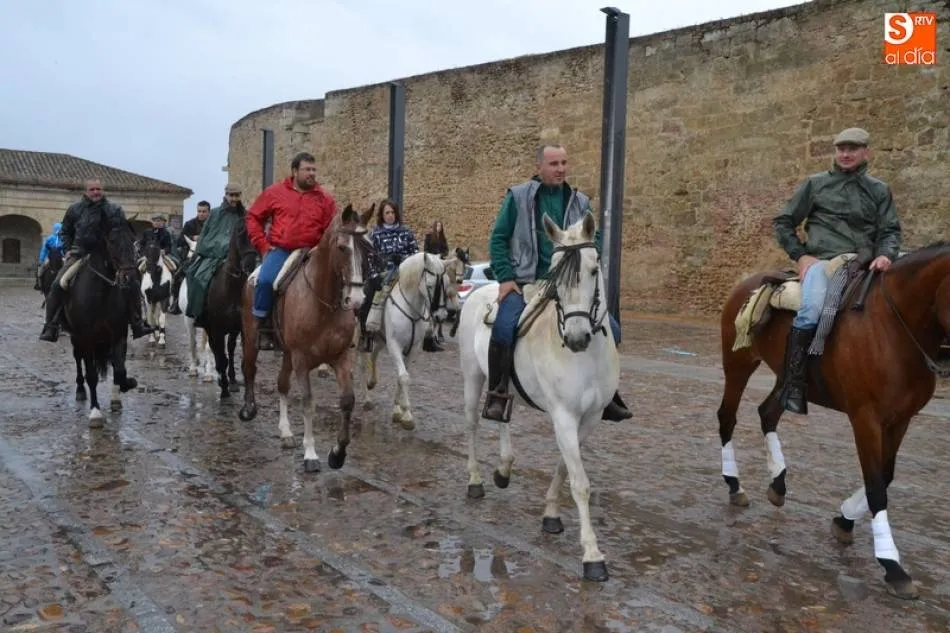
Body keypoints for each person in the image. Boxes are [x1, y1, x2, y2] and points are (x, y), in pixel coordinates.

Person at [483, 144, 632, 422]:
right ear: (539, 166)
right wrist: (505, 278)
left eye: (564, 162)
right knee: (504, 327)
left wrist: (586, 252)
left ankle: (608, 393)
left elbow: (594, 239)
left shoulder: (580, 202)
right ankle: (498, 392)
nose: (561, 169)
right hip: (527, 281)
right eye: (554, 164)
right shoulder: (518, 197)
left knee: (612, 328)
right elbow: (498, 238)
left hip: (567, 285)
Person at [774, 126, 901, 415]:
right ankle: (793, 383)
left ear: (866, 152)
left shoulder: (879, 190)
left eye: (852, 149)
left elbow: (890, 230)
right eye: (841, 149)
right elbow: (783, 222)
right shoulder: (815, 184)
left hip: (865, 260)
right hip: (824, 262)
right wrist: (801, 255)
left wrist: (885, 254)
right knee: (812, 308)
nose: (845, 154)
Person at [39, 179, 154, 342]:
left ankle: (137, 323)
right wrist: (69, 249)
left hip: (110, 255)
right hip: (80, 253)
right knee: (58, 283)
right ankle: (51, 326)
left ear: (103, 190)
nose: (95, 192)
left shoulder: (114, 209)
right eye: (92, 189)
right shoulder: (75, 210)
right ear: (85, 192)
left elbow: (122, 231)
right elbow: (65, 232)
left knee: (133, 281)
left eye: (98, 189)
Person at [246, 151, 338, 350]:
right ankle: (263, 326)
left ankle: (339, 329)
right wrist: (263, 245)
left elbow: (332, 229)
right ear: (295, 171)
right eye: (307, 169)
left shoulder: (325, 199)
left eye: (314, 169)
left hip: (312, 252)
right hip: (282, 250)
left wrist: (320, 248)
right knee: (266, 281)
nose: (311, 173)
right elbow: (253, 218)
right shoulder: (275, 192)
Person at [357, 199, 419, 352]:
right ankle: (366, 335)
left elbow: (415, 254)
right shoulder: (375, 233)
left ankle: (429, 332)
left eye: (392, 212)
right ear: (382, 215)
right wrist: (374, 276)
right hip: (382, 274)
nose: (390, 215)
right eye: (387, 213)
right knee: (366, 296)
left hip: (404, 274)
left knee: (425, 291)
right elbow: (369, 257)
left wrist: (403, 259)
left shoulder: (406, 232)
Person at [184, 185, 247, 324]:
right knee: (197, 277)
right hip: (214, 254)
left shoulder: (244, 215)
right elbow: (206, 233)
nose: (234, 199)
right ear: (226, 195)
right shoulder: (215, 214)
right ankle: (199, 313)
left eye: (237, 195)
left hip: (240, 256)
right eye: (232, 195)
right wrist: (216, 248)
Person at [168, 201, 210, 314]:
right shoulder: (189, 224)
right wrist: (192, 237)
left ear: (208, 212)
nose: (201, 214)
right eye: (199, 211)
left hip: (209, 256)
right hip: (190, 257)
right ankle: (176, 303)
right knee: (178, 277)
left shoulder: (213, 224)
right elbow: (180, 241)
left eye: (204, 211)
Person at [34, 221, 63, 290]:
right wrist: (41, 260)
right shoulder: (50, 238)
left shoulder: (63, 239)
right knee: (40, 270)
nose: (60, 232)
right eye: (59, 230)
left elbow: (65, 249)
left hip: (61, 257)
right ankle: (39, 284)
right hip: (49, 257)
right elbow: (44, 250)